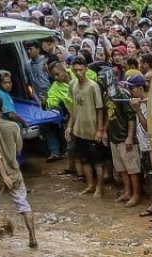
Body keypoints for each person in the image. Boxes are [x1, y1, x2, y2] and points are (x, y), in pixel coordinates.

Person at [0, 95, 38, 248]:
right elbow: (18, 147)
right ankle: (32, 237)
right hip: (14, 171)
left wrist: (3, 175)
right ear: (2, 109)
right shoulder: (13, 126)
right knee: (23, 204)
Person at [66, 57, 107, 199]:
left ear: (86, 69)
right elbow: (73, 108)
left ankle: (100, 188)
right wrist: (70, 126)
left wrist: (100, 129)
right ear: (72, 70)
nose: (78, 73)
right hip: (79, 129)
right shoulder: (72, 85)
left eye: (81, 70)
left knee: (97, 161)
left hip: (92, 129)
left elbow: (100, 109)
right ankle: (90, 185)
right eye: (75, 70)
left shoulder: (93, 86)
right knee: (84, 159)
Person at [128, 75, 152, 221]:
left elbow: (148, 128)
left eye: (132, 88)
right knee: (149, 176)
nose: (130, 91)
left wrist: (137, 110)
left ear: (141, 88)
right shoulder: (140, 102)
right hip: (144, 146)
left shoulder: (150, 103)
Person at [107, 76, 141, 208]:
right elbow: (107, 115)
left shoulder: (122, 95)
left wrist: (129, 137)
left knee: (132, 169)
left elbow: (131, 117)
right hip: (114, 137)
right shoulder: (107, 95)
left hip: (123, 137)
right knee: (121, 168)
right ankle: (127, 191)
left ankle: (136, 195)